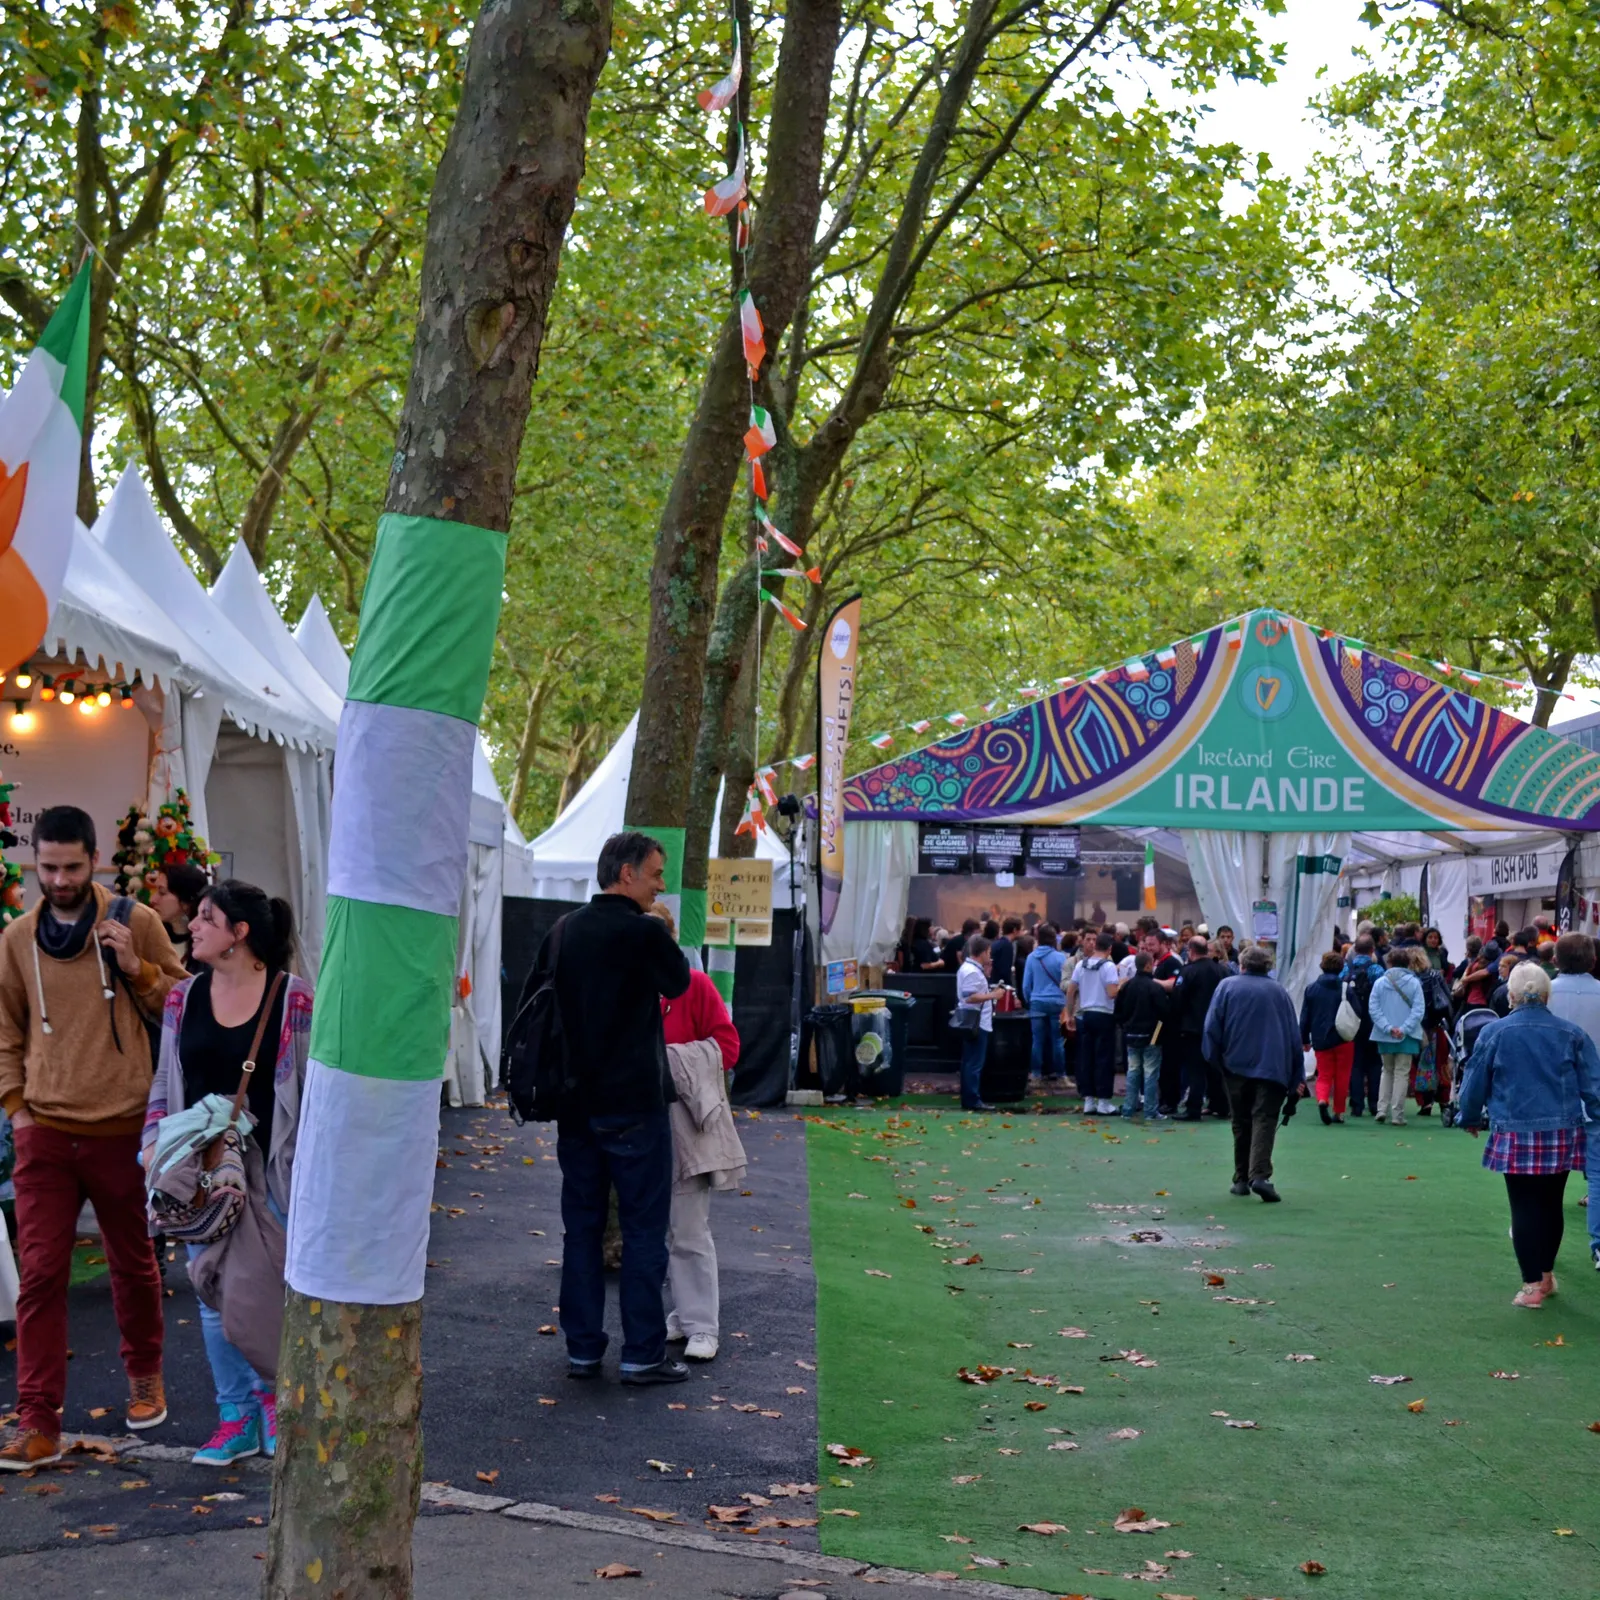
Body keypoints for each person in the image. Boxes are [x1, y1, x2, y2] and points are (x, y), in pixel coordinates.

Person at [0, 806, 188, 1470]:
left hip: (121, 1130)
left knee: (132, 1262)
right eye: (46, 868)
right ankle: (36, 1420)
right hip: (44, 1133)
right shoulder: (17, 939)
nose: (58, 880)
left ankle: (144, 1373)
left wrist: (137, 967)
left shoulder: (135, 920)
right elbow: (7, 1031)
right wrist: (18, 1111)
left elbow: (185, 1003)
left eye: (71, 867)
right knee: (41, 1277)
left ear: (95, 859)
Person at [142, 880, 309, 1464]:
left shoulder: (294, 1000)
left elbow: (312, 1094)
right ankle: (234, 1415)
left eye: (207, 919)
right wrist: (152, 1141)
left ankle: (272, 1400)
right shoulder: (182, 999)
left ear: (240, 934)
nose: (193, 926)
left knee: (263, 1293)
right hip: (204, 1171)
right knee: (212, 1291)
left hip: (275, 1173)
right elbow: (166, 1078)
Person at [526, 831, 692, 1385]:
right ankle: (642, 1353)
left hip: (575, 1104)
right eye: (655, 873)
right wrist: (664, 931)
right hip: (635, 1105)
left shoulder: (563, 930)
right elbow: (680, 983)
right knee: (645, 1229)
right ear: (627, 874)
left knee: (582, 1228)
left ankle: (583, 1349)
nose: (661, 884)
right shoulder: (643, 932)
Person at [1457, 963, 1600, 1307]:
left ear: (1511, 995)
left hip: (1515, 1131)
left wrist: (1470, 1116)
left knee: (1522, 1205)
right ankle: (1546, 1277)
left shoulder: (1494, 1032)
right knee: (1551, 1204)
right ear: (1547, 995)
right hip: (1563, 1130)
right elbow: (1593, 1086)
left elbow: (1475, 1082)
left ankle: (1531, 1284)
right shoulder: (1572, 1033)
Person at [646, 904, 742, 1363]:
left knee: (687, 1228)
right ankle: (684, 1316)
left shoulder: (695, 985)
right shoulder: (627, 986)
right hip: (641, 1120)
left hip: (685, 1120)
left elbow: (728, 1046)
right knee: (655, 1230)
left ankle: (701, 1323)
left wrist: (670, 1062)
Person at [1202, 945, 1307, 1201]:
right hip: (1272, 1067)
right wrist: (1297, 1076)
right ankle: (1260, 1175)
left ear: (1242, 964)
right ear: (1268, 966)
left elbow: (1211, 1027)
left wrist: (1216, 1060)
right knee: (1265, 1118)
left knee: (1240, 1121)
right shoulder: (1279, 992)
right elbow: (1294, 1037)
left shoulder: (1227, 987)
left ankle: (1241, 1179)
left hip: (1235, 1065)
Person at [1546, 932, 1600, 1273]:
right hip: (1596, 1092)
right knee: (1597, 1173)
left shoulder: (1543, 995)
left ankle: (1535, 1237)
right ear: (1592, 960)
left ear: (1555, 959)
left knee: (1547, 1174)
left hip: (1552, 1094)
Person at [1367, 947, 1425, 1126]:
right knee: (1402, 1073)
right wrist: (1404, 1028)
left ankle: (1381, 1109)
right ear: (1408, 962)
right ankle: (1397, 1114)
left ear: (1389, 962)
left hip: (1384, 1034)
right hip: (1407, 1035)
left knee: (1386, 1070)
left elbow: (1373, 1008)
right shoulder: (1414, 983)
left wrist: (1387, 1027)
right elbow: (1418, 1010)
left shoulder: (1380, 982)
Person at [1173, 937, 1228, 1120]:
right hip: (1217, 1028)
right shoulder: (1222, 971)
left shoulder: (1188, 972)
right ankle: (1221, 1106)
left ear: (1191, 951)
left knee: (1195, 1070)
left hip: (1192, 1029)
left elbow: (1178, 999)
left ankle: (1193, 1109)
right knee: (1216, 1069)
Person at [1066, 932, 1120, 1115]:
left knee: (1086, 1058)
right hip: (1104, 1014)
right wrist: (1123, 983)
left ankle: (1088, 1100)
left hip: (1085, 1014)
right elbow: (1112, 993)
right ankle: (1104, 1101)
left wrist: (1069, 1014)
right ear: (1110, 949)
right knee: (1104, 1058)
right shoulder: (1109, 966)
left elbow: (1071, 990)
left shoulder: (1081, 964)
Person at [1115, 952, 1170, 1120]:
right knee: (1151, 1074)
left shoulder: (1127, 987)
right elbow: (1165, 1011)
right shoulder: (1155, 988)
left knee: (1132, 1072)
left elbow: (1119, 1012)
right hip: (1152, 1035)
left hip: (1131, 1034)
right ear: (1148, 965)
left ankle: (1129, 1109)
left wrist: (1125, 1026)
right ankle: (1150, 1111)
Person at [1301, 950, 1353, 1124]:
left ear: (1322, 966)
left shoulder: (1311, 989)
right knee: (1342, 1076)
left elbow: (1305, 1017)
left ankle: (1322, 1099)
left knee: (1324, 1074)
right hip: (1344, 1037)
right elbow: (1358, 1011)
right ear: (1341, 968)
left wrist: (1305, 1040)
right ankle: (1339, 1112)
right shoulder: (1346, 988)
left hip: (1321, 1038)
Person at [955, 935, 1006, 1113]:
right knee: (974, 1063)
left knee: (970, 1061)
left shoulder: (969, 968)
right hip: (976, 1022)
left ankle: (970, 1098)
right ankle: (972, 1100)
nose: (990, 956)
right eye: (989, 952)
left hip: (973, 1020)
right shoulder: (972, 971)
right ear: (982, 952)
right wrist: (993, 995)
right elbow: (970, 996)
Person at [1020, 922, 1067, 1090]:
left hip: (1037, 1002)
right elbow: (1065, 983)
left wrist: (1029, 1000)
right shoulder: (1061, 957)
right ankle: (1061, 1075)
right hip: (1057, 1002)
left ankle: (1036, 1075)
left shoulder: (1032, 957)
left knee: (1037, 1041)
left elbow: (1026, 985)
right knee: (1057, 1040)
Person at [1342, 934, 1382, 1118]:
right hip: (1373, 1021)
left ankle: (1356, 1105)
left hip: (1352, 1021)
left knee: (1355, 1064)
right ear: (1372, 950)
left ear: (1355, 950)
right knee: (1374, 1063)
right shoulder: (1377, 971)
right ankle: (1374, 1104)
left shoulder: (1346, 970)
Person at [150, 862, 210, 975]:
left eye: (162, 893)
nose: (152, 899)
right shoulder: (152, 936)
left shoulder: (207, 951)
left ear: (186, 902)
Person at [990, 917, 1020, 988]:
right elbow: (1005, 970)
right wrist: (1010, 987)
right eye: (1020, 930)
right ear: (1015, 930)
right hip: (1000, 986)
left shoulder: (998, 943)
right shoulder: (1007, 945)